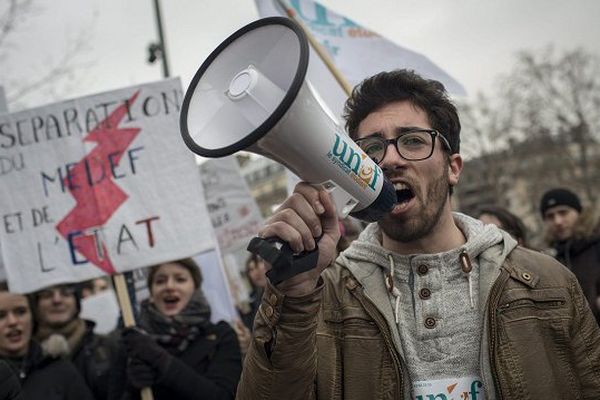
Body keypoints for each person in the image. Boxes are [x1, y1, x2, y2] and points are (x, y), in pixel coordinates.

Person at [236, 70, 600, 399]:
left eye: (412, 141)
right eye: (371, 149)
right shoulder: (322, 295)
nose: (390, 160)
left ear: (453, 167)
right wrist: (293, 299)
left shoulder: (547, 283)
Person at [109, 258, 241, 400]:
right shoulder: (134, 344)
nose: (169, 286)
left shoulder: (220, 336)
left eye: (180, 279)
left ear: (195, 287)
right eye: (160, 281)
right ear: (151, 293)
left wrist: (160, 360)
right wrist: (131, 388)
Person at [0, 282, 94, 400]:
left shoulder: (62, 370)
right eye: (1, 315)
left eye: (20, 311)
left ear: (33, 315)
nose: (12, 321)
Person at [31, 283, 114, 400]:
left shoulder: (108, 348)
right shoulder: (23, 359)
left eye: (66, 293)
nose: (57, 300)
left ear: (76, 302)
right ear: (35, 305)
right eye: (46, 295)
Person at [540, 187, 600, 323]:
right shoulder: (547, 259)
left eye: (563, 212)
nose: (558, 221)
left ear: (578, 212)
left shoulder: (596, 244)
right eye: (550, 216)